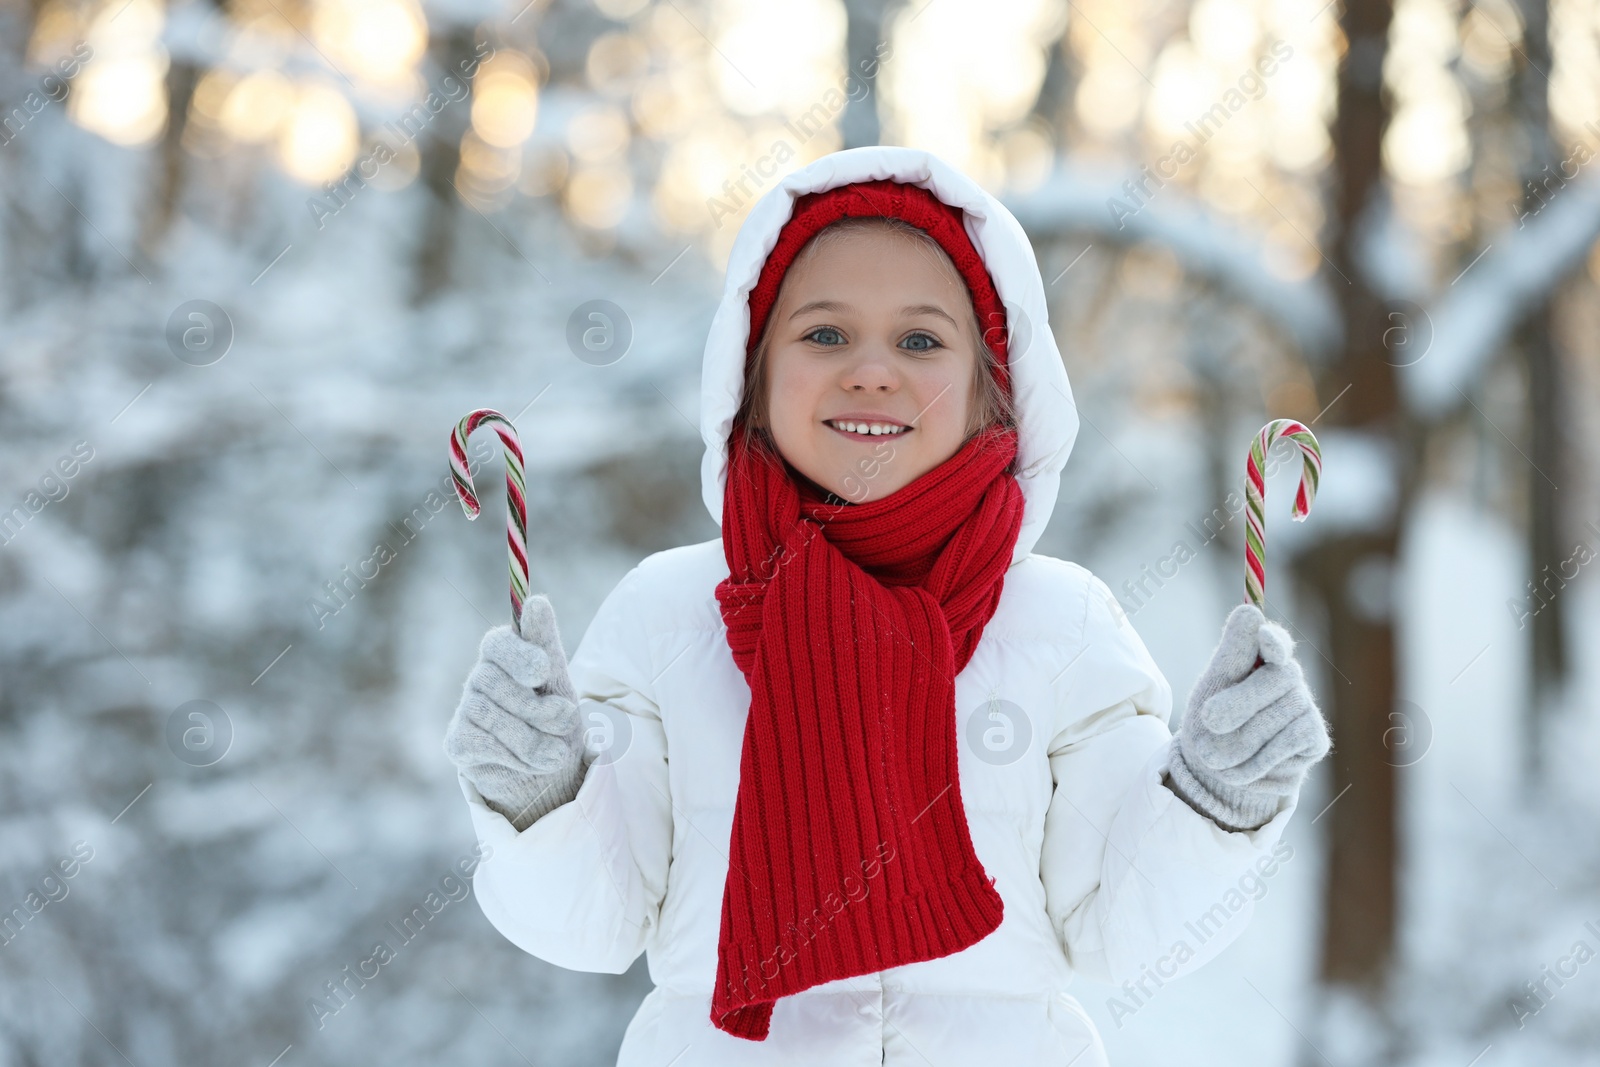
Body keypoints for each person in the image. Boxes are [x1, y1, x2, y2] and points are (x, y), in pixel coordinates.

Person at [443, 145, 1331, 1066]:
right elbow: (591, 922)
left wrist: (1214, 799)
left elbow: (1124, 924)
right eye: (824, 334)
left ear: (998, 390)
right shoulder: (669, 615)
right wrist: (540, 797)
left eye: (920, 340)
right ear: (749, 374)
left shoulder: (1062, 627)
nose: (872, 371)